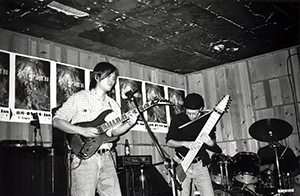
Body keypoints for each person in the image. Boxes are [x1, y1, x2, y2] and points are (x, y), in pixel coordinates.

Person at [52, 62, 139, 196]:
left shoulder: (113, 105)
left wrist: (129, 124)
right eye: (108, 76)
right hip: (84, 158)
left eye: (114, 77)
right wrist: (81, 131)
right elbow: (57, 121)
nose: (112, 80)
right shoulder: (80, 97)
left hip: (107, 157)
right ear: (97, 77)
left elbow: (114, 132)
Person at [166, 93, 222, 196]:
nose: (191, 116)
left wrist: (210, 142)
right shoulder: (178, 120)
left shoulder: (207, 120)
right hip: (182, 163)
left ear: (201, 109)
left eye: (195, 113)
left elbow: (214, 144)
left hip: (200, 165)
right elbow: (169, 142)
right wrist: (184, 143)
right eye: (188, 113)